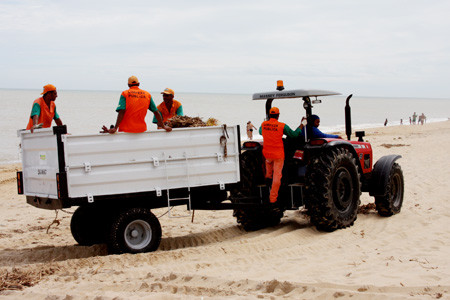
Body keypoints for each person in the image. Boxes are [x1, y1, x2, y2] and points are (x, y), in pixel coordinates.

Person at [259, 107, 302, 203]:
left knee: (268, 174)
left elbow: (260, 132)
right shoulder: (282, 126)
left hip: (267, 154)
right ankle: (273, 199)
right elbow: (294, 135)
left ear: (269, 115)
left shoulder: (263, 124)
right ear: (278, 115)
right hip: (278, 155)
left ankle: (266, 191)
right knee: (277, 177)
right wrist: (301, 125)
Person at [101, 76, 171, 134]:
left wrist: (115, 128)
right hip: (141, 130)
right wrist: (163, 127)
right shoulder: (147, 95)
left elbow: (122, 111)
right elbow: (156, 112)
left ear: (128, 85)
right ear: (138, 84)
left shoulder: (125, 93)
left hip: (126, 130)